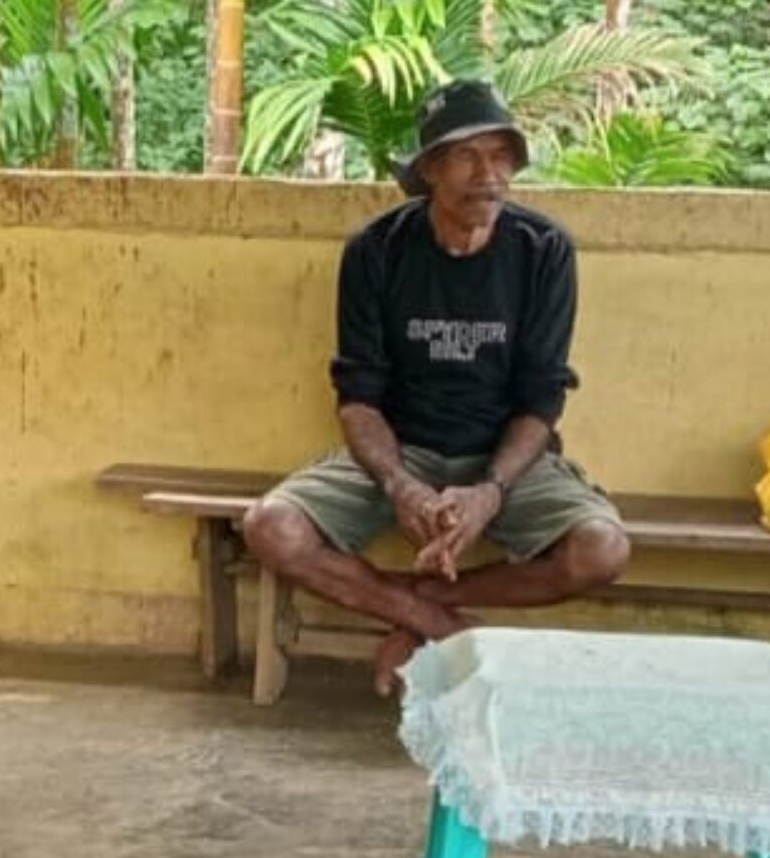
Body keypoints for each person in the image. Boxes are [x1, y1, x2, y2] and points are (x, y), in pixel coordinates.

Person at [240, 80, 634, 693]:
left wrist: (490, 493)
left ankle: (415, 607)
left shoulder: (543, 250)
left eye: (501, 156)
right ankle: (446, 629)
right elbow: (359, 398)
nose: (489, 175)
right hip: (402, 452)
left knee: (602, 550)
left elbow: (541, 400)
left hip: (507, 460)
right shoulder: (376, 251)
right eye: (467, 157)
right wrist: (401, 485)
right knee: (270, 527)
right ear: (429, 170)